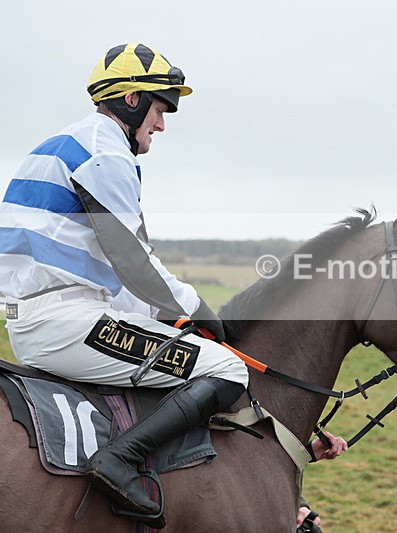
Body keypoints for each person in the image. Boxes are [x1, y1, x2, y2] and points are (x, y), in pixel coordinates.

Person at [0, 43, 248, 519]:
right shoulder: (105, 151)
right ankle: (118, 460)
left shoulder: (67, 143)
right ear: (131, 100)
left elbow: (117, 277)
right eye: (161, 108)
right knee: (226, 369)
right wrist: (198, 309)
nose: (162, 124)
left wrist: (171, 318)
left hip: (47, 314)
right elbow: (135, 261)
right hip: (65, 323)